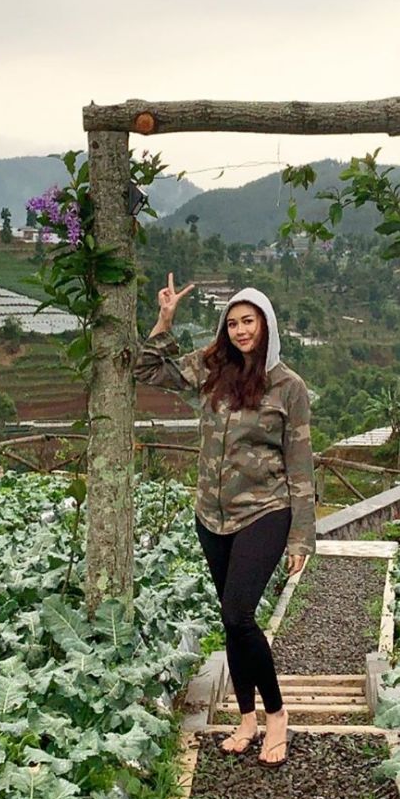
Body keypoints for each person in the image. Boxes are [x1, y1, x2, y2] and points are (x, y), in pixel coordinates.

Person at [134, 276, 316, 767]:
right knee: (233, 624)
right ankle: (247, 718)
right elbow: (149, 371)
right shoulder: (213, 371)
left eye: (248, 321)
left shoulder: (288, 387)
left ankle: (276, 715)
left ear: (265, 325)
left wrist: (302, 535)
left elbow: (300, 465)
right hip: (211, 516)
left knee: (238, 614)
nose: (239, 331)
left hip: (265, 511)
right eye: (232, 322)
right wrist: (165, 321)